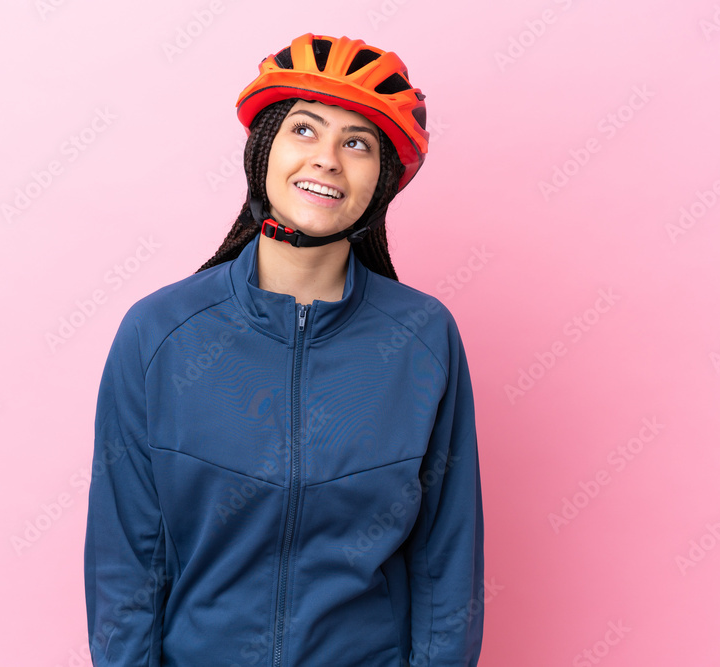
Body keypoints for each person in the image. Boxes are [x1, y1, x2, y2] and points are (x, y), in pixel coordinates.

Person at [84, 33, 484, 667]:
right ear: (264, 150)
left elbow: (446, 557)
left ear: (379, 181)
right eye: (305, 129)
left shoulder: (423, 338)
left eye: (357, 143)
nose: (327, 159)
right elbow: (126, 562)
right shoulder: (157, 332)